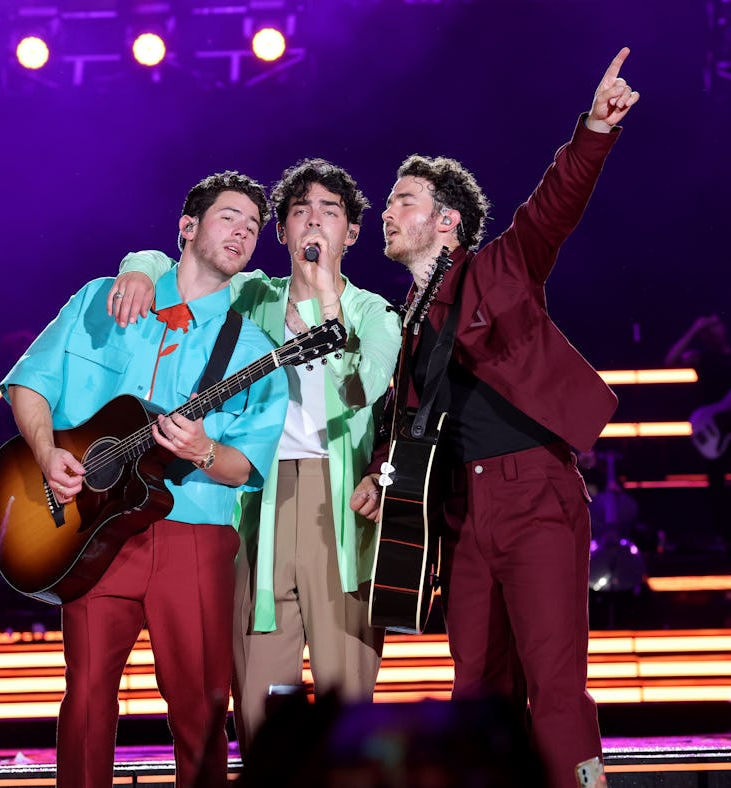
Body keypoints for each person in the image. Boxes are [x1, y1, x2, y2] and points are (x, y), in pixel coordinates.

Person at [351, 48, 639, 788]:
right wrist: (379, 475)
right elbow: (405, 426)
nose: (388, 212)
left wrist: (594, 131)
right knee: (478, 691)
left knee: (554, 684)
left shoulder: (499, 270)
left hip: (533, 491)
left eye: (404, 200)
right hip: (460, 514)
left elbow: (552, 209)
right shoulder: (402, 324)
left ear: (447, 220)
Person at [0, 171, 289, 788]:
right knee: (85, 698)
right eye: (229, 216)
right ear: (187, 227)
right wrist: (47, 453)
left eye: (253, 226)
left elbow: (248, 465)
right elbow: (30, 383)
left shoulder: (255, 349)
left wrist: (205, 449)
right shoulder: (100, 298)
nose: (242, 232)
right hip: (90, 530)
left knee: (201, 707)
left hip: (193, 535)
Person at [111, 159, 402, 755]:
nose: (313, 220)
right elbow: (183, 265)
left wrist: (327, 298)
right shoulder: (250, 294)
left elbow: (359, 389)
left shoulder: (375, 314)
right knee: (262, 697)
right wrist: (137, 267)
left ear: (351, 233)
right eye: (299, 211)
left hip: (340, 505)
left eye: (329, 211)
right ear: (282, 232)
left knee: (345, 694)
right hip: (254, 500)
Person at [665, 314, 731, 550]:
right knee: (716, 484)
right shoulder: (703, 357)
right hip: (714, 427)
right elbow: (671, 360)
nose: (713, 331)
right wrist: (694, 329)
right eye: (707, 329)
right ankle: (722, 536)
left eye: (715, 325)